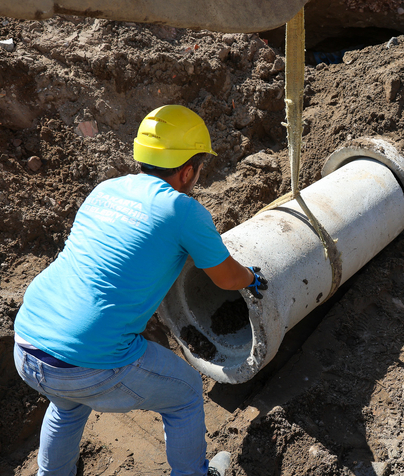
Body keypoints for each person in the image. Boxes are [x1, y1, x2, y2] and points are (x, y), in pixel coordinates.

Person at [13, 105, 268, 476]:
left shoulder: (107, 189)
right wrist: (253, 279)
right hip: (86, 358)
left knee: (67, 406)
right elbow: (228, 278)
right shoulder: (183, 210)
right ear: (187, 171)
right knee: (183, 392)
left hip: (28, 341)